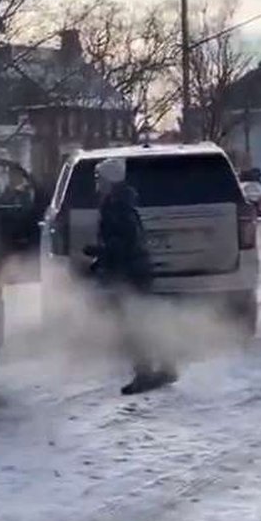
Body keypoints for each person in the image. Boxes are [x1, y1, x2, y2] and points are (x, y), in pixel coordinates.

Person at [83, 158, 177, 396]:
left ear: (110, 180)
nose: (96, 183)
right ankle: (163, 366)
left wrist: (99, 253)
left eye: (99, 178)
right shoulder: (117, 202)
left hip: (131, 273)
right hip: (132, 270)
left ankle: (146, 372)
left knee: (133, 325)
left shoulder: (118, 207)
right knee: (139, 321)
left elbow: (124, 244)